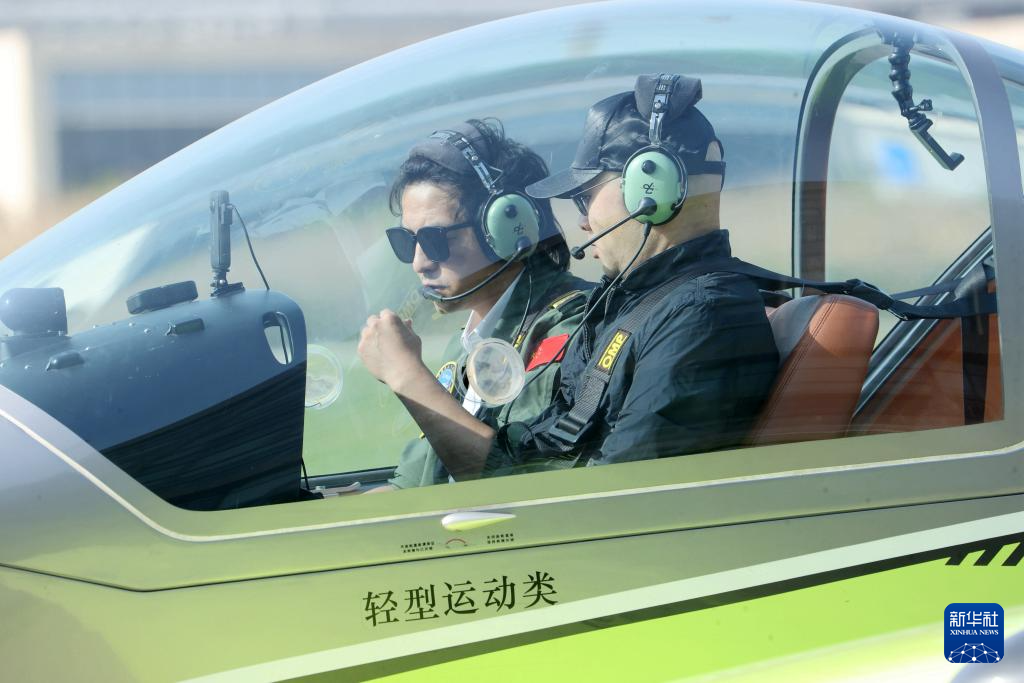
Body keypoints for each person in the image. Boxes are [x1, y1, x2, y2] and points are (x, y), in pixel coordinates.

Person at [359, 75, 779, 480]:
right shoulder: (632, 308)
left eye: (585, 196)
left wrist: (407, 377)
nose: (582, 222)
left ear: (649, 187)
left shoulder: (704, 317)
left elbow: (605, 498)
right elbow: (536, 456)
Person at [368, 119, 592, 490]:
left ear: (506, 227)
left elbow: (518, 484)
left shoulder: (575, 326)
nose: (419, 263)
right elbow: (410, 488)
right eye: (408, 241)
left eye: (436, 239)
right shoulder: (467, 345)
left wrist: (406, 376)